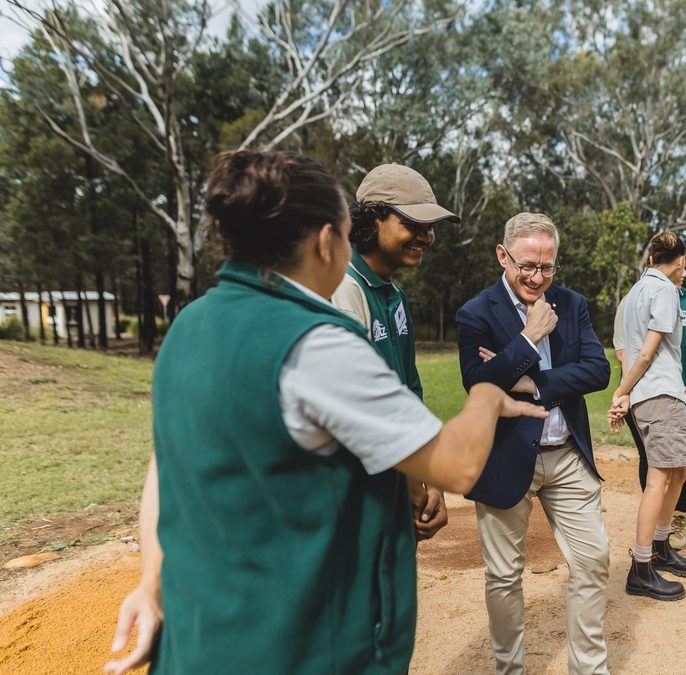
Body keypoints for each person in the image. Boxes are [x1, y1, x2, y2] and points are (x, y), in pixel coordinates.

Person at [103, 150, 546, 675]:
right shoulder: (315, 341)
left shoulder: (189, 326)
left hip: (202, 637)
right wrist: (487, 398)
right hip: (304, 642)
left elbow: (165, 466)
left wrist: (152, 586)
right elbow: (455, 464)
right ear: (325, 240)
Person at [456, 212, 612, 674]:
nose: (537, 277)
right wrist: (529, 337)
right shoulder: (476, 312)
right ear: (503, 256)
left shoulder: (572, 303)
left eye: (547, 267)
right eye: (527, 265)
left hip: (566, 456)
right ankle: (510, 668)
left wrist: (532, 382)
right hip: (505, 457)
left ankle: (588, 667)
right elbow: (478, 382)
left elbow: (598, 370)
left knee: (595, 560)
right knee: (504, 576)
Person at [332, 163, 461, 540]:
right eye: (413, 224)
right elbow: (349, 411)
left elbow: (408, 394)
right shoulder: (344, 291)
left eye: (430, 226)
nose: (427, 237)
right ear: (373, 219)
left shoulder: (394, 295)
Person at [609, 231, 686, 602]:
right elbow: (646, 354)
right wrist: (624, 391)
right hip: (660, 393)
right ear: (679, 262)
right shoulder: (664, 290)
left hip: (649, 393)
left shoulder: (630, 296)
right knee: (660, 479)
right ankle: (641, 568)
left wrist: (629, 390)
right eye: (684, 265)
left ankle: (660, 548)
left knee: (678, 471)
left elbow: (621, 351)